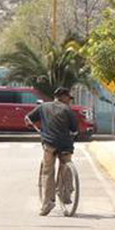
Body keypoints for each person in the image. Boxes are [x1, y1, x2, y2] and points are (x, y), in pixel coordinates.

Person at [26, 87, 80, 216]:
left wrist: (34, 126)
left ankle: (47, 202)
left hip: (49, 144)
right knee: (66, 165)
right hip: (65, 144)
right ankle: (66, 194)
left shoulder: (43, 107)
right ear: (63, 97)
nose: (70, 101)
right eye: (69, 98)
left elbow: (28, 118)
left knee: (48, 171)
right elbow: (74, 129)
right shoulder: (67, 110)